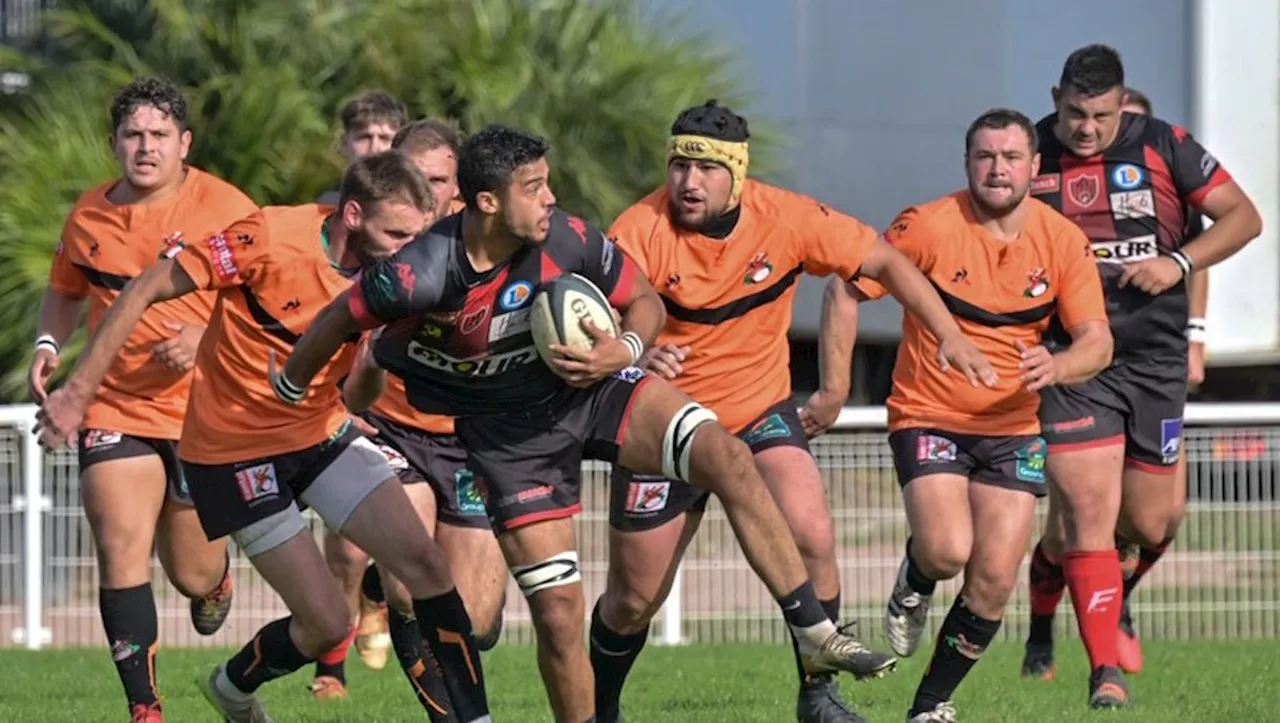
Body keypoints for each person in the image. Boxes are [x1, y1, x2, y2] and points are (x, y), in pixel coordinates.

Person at [275, 123, 997, 722]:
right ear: (488, 202)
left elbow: (643, 299)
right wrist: (298, 383)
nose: (552, 197)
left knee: (725, 452)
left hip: (595, 387)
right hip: (511, 440)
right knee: (554, 618)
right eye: (535, 188)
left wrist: (624, 346)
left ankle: (813, 635)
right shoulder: (416, 278)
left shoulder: (570, 238)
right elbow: (340, 322)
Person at [35, 152, 493, 723]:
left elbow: (357, 398)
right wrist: (78, 390)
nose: (409, 250)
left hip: (322, 433)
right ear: (352, 214)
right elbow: (146, 287)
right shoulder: (270, 235)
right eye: (395, 232)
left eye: (417, 235)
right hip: (234, 455)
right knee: (327, 624)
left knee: (425, 565)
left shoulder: (403, 278)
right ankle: (231, 688)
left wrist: (377, 356)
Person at [590, 100, 911, 723]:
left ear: (736, 173)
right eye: (679, 164)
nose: (688, 181)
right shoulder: (638, 229)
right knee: (633, 600)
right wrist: (637, 358)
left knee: (813, 535)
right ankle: (598, 709)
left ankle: (819, 701)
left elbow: (870, 267)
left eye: (706, 168)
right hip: (664, 428)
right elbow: (601, 324)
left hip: (757, 412)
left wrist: (836, 386)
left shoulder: (785, 217)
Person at [825, 108, 1112, 722]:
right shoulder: (928, 224)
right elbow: (846, 288)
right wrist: (834, 388)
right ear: (967, 164)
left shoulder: (1062, 241)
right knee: (949, 549)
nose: (997, 169)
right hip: (929, 414)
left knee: (993, 580)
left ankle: (931, 706)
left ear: (1035, 167)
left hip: (1013, 428)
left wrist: (1058, 367)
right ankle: (918, 573)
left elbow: (1098, 342)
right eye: (985, 157)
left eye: (1011, 157)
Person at [1020, 45, 1262, 708]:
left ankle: (1052, 578)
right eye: (1074, 113)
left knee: (1154, 524)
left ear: (1122, 104)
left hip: (1154, 362)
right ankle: (1105, 672)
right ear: (1055, 97)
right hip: (1074, 360)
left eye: (1100, 115)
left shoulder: (1165, 146)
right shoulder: (1031, 151)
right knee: (1090, 515)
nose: (1087, 128)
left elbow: (1246, 217)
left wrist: (1179, 264)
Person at [28, 77, 256, 723]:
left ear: (185, 143)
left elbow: (270, 300)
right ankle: (144, 707)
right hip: (114, 405)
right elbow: (66, 290)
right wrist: (49, 343)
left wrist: (205, 333)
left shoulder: (227, 207)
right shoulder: (90, 215)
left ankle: (215, 579)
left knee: (190, 570)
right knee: (120, 541)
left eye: (160, 135)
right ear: (114, 143)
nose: (146, 146)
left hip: (202, 409)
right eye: (133, 134)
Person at [340, 119, 509, 718]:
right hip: (391, 432)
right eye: (414, 178)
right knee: (414, 583)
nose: (426, 193)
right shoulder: (375, 239)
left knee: (478, 622)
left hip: (468, 440)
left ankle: (373, 588)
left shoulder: (494, 238)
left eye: (437, 180)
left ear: (460, 188)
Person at [310, 89, 409, 691]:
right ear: (346, 146)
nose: (374, 147)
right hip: (346, 399)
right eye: (363, 138)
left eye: (384, 137)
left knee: (404, 553)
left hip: (410, 402)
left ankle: (377, 593)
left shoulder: (427, 223)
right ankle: (331, 666)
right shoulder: (327, 216)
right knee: (345, 548)